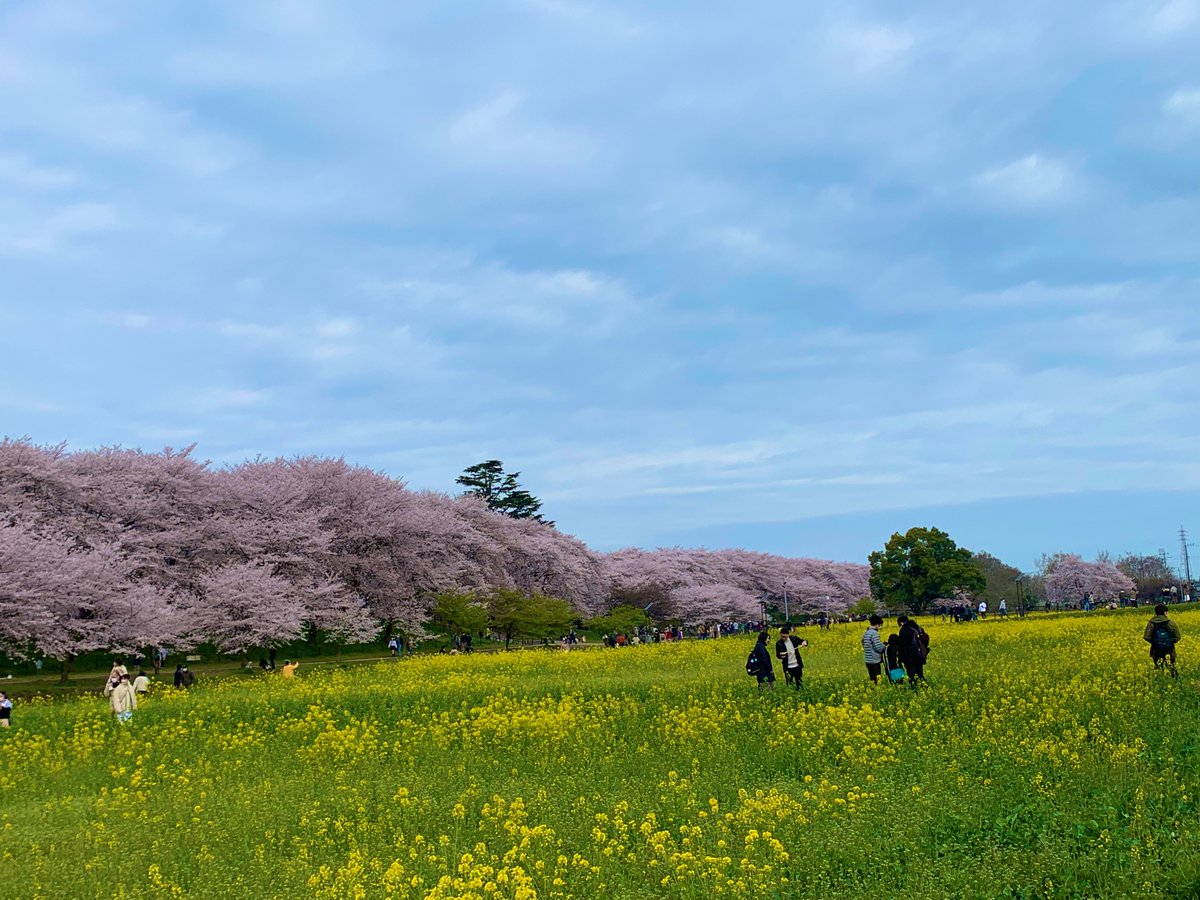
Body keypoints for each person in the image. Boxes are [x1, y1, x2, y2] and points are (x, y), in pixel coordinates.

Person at [1144, 603, 1182, 677]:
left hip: (1156, 649)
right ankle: (1175, 681)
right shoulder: (1170, 623)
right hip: (1169, 649)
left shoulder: (1152, 623)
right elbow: (1178, 636)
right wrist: (1170, 641)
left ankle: (1160, 680)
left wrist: (1155, 642)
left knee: (1158, 668)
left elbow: (1146, 637)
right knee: (1172, 668)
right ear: (1165, 612)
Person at [896, 615, 930, 685]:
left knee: (912, 674)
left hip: (909, 656)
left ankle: (914, 688)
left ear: (901, 623)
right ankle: (923, 687)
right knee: (920, 673)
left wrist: (900, 658)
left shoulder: (904, 630)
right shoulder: (918, 628)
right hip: (920, 655)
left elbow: (902, 645)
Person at [862, 614, 886, 683]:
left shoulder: (866, 633)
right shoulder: (874, 633)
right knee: (877, 680)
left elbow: (864, 644)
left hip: (867, 660)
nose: (880, 627)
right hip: (874, 660)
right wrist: (884, 645)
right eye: (881, 625)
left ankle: (874, 691)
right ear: (877, 624)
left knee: (872, 679)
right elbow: (878, 648)